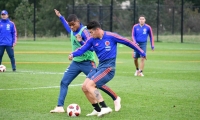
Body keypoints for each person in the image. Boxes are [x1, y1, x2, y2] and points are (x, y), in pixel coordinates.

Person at [68, 21, 146, 117]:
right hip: (100, 66)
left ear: (97, 30)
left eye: (91, 32)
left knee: (90, 86)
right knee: (84, 87)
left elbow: (127, 42)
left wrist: (141, 51)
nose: (90, 35)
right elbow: (83, 48)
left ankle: (104, 107)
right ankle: (97, 109)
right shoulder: (91, 39)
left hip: (109, 67)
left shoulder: (111, 36)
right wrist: (73, 54)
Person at [50, 9, 121, 114]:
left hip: (88, 62)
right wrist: (60, 16)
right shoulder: (72, 30)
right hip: (76, 62)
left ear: (78, 22)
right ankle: (60, 106)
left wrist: (81, 41)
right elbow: (66, 24)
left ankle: (114, 98)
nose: (71, 27)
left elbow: (92, 48)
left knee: (96, 84)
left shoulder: (85, 31)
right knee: (64, 82)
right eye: (70, 25)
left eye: (73, 24)